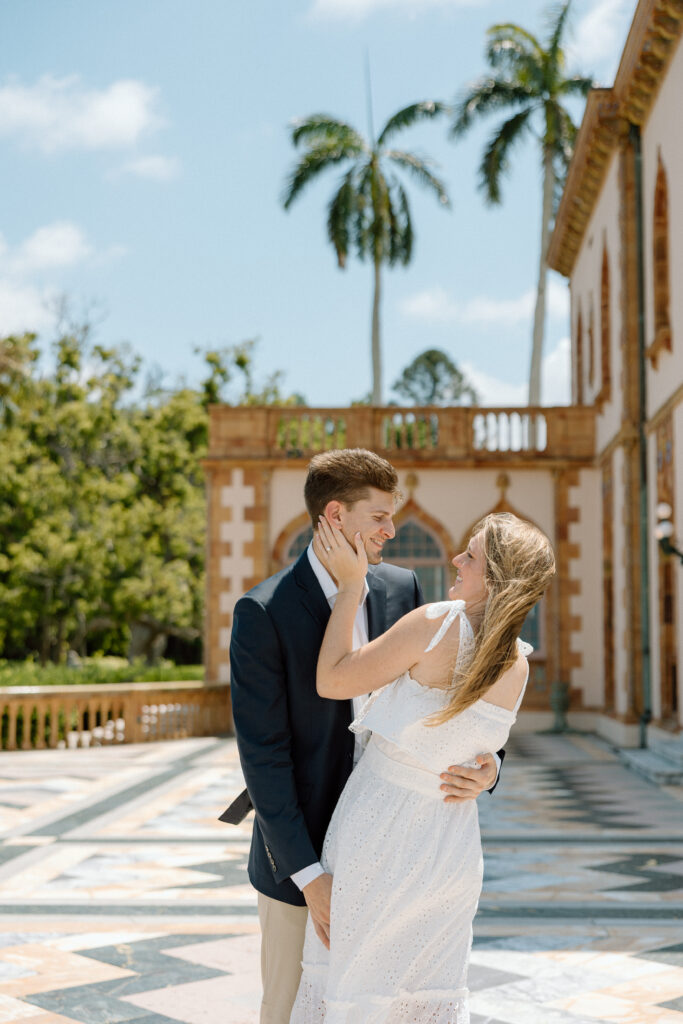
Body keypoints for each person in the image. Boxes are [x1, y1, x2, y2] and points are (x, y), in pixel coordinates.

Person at [219, 449, 503, 1024]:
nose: (391, 531)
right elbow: (263, 758)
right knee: (288, 1009)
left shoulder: (404, 589)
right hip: (304, 856)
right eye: (378, 517)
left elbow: (456, 695)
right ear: (335, 516)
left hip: (400, 852)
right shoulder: (262, 611)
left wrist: (492, 766)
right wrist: (310, 877)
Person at [289, 510, 555, 1024]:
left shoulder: (438, 622)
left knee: (356, 993)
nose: (456, 559)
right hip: (451, 848)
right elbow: (472, 749)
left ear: (496, 576)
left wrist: (351, 587)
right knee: (422, 1002)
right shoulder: (518, 663)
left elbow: (333, 680)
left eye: (471, 555)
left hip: (381, 835)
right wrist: (490, 773)